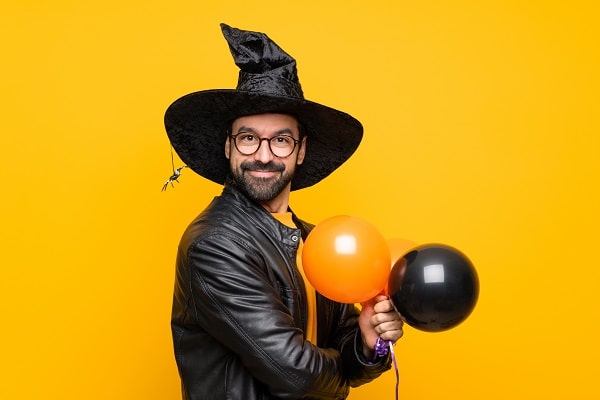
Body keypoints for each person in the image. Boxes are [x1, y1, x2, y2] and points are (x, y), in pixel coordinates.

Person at [165, 23, 404, 400]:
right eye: (248, 138)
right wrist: (339, 369)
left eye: (280, 140)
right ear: (228, 147)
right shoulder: (214, 244)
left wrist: (366, 341)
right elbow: (296, 375)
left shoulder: (314, 241)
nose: (262, 155)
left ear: (300, 150)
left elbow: (345, 351)